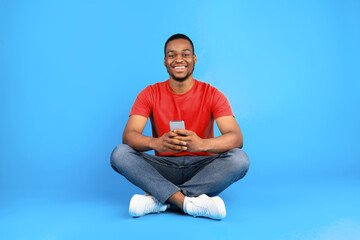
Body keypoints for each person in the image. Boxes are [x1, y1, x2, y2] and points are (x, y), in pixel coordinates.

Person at [110, 33, 249, 220]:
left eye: (185, 54)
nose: (179, 59)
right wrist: (156, 143)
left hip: (202, 169)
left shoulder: (212, 94)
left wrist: (201, 145)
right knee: (120, 153)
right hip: (164, 168)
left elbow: (236, 138)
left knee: (239, 159)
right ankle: (186, 202)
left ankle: (160, 199)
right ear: (165, 61)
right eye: (172, 55)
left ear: (194, 59)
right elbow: (129, 136)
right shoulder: (149, 93)